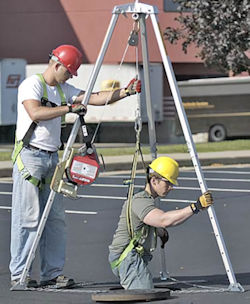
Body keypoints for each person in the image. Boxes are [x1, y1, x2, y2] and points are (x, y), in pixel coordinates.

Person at [10, 44, 141, 288]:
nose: (70, 76)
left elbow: (94, 98)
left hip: (51, 159)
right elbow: (35, 112)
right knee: (27, 218)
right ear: (56, 65)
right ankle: (20, 274)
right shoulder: (33, 84)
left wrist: (125, 92)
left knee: (55, 220)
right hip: (30, 157)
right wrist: (69, 109)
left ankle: (51, 274)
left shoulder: (63, 89)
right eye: (69, 72)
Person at [108, 156, 213, 290]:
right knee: (144, 293)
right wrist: (195, 207)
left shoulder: (146, 199)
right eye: (167, 183)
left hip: (131, 257)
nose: (171, 187)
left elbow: (148, 223)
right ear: (154, 181)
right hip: (126, 259)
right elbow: (163, 220)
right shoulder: (140, 201)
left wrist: (159, 232)